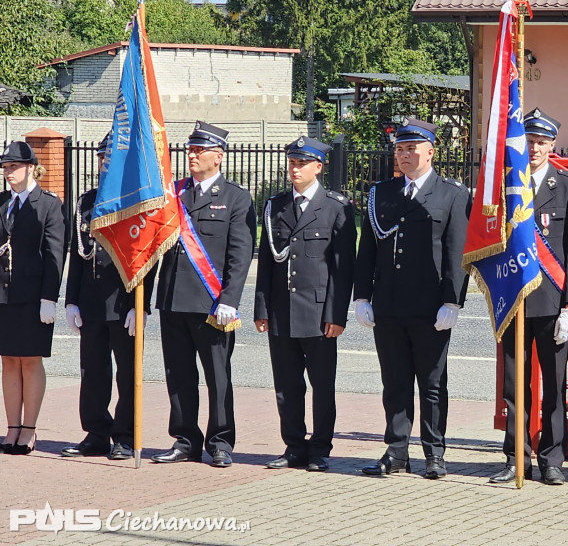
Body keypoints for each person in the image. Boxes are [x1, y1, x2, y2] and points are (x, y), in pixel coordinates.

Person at [354, 119, 470, 480]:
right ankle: (397, 451)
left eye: (411, 149)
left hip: (430, 306)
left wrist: (453, 301)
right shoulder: (382, 193)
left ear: (430, 151)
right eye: (400, 149)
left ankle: (435, 453)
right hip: (388, 304)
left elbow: (455, 252)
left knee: (432, 384)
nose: (404, 155)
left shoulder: (451, 194)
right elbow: (367, 250)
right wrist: (362, 296)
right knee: (395, 382)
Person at [488, 108, 568, 485]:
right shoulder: (505, 186)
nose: (534, 148)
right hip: (514, 299)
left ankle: (552, 459)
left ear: (552, 145)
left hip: (552, 301)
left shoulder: (567, 186)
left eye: (541, 142)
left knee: (555, 386)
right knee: (514, 387)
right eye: (528, 141)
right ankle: (516, 458)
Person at [152, 121, 257, 467]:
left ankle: (221, 441)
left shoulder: (236, 198)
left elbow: (239, 256)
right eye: (190, 150)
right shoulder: (174, 193)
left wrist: (229, 299)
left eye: (199, 150)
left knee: (217, 376)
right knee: (179, 375)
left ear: (219, 156)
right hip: (173, 299)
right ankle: (185, 438)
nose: (192, 156)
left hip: (211, 304)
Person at [254, 136, 356, 472]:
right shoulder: (276, 206)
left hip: (318, 313)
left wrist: (336, 315)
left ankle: (319, 449)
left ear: (318, 167)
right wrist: (261, 308)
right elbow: (268, 263)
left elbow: (343, 270)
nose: (295, 169)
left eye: (302, 163)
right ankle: (294, 445)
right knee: (287, 386)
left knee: (322, 385)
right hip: (282, 311)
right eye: (292, 163)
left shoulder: (336, 207)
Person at [61, 133, 154, 461]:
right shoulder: (87, 201)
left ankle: (125, 436)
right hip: (90, 300)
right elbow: (77, 252)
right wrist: (70, 299)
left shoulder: (136, 200)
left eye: (112, 157)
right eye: (102, 156)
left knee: (127, 373)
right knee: (93, 371)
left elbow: (148, 256)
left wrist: (141, 306)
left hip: (123, 301)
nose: (105, 161)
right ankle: (96, 432)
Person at [0, 141, 67, 455]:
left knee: (30, 360)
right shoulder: (1, 202)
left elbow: (55, 253)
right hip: (3, 295)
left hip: (33, 296)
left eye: (13, 166)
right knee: (8, 360)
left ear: (30, 167)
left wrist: (49, 298)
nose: (8, 172)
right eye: (5, 167)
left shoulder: (49, 204)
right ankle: (11, 427)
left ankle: (29, 429)